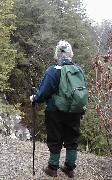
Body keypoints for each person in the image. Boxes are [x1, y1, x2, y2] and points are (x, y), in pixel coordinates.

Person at [30, 40, 86, 178]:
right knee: (72, 138)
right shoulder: (79, 71)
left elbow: (44, 93)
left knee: (55, 138)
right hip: (74, 110)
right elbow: (82, 92)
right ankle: (69, 167)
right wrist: (81, 110)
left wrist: (35, 98)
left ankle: (52, 167)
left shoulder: (52, 71)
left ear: (57, 54)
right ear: (71, 54)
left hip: (55, 110)